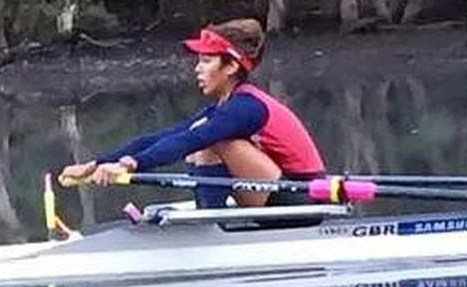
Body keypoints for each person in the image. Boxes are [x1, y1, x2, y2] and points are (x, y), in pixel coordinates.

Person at [59, 18, 326, 209]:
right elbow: (168, 135)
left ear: (232, 66)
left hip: (303, 199)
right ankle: (210, 221)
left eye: (207, 60)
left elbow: (188, 142)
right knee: (199, 136)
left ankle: (210, 226)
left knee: (208, 140)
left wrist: (130, 165)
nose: (197, 69)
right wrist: (96, 163)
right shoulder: (224, 106)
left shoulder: (247, 107)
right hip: (275, 192)